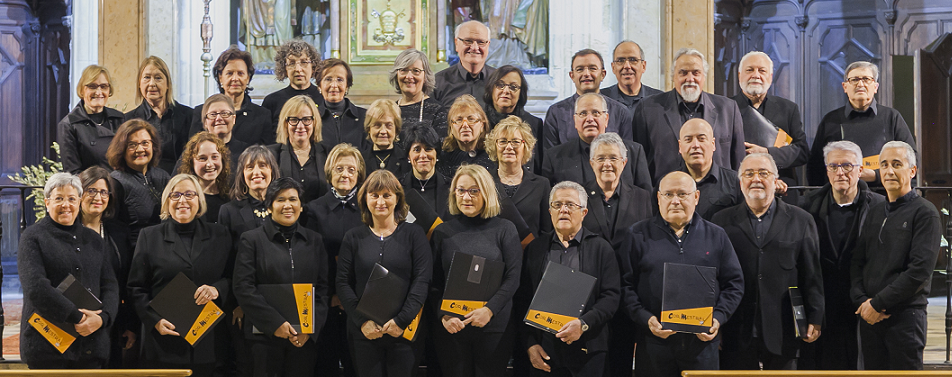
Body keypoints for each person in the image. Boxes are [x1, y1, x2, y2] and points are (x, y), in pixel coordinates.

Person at [620, 171, 744, 377]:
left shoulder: (716, 235)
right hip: (654, 345)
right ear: (658, 198)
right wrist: (646, 319)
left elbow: (734, 284)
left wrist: (719, 318)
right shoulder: (637, 234)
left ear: (696, 197)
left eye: (682, 194)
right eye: (668, 194)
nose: (675, 201)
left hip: (701, 346)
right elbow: (625, 286)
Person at [711, 153, 824, 370]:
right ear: (740, 181)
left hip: (784, 327)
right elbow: (716, 278)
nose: (756, 178)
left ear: (775, 179)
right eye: (749, 173)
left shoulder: (802, 220)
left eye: (763, 173)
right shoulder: (721, 221)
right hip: (736, 326)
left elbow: (812, 274)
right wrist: (716, 321)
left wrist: (816, 316)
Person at [126, 174, 232, 376]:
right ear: (167, 202)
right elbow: (136, 287)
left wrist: (217, 290)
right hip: (163, 343)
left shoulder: (220, 234)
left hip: (207, 343)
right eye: (176, 195)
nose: (182, 200)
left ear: (199, 200)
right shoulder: (149, 236)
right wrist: (154, 320)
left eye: (189, 194)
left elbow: (233, 278)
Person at [850, 141, 941, 370]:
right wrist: (862, 301)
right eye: (884, 165)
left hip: (905, 318)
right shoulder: (875, 210)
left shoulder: (925, 212)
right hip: (870, 318)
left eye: (896, 164)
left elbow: (919, 271)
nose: (889, 171)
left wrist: (878, 304)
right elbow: (857, 262)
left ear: (912, 171)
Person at [517, 181, 620, 376]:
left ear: (584, 212)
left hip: (588, 349)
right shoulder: (536, 249)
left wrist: (583, 324)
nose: (563, 210)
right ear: (550, 211)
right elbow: (523, 299)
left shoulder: (601, 248)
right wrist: (530, 344)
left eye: (570, 205)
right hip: (545, 350)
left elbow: (611, 297)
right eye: (557, 205)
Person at [18, 173, 119, 369]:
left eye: (72, 199)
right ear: (47, 202)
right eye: (59, 198)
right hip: (48, 347)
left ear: (79, 202)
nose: (66, 204)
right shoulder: (32, 237)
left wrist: (102, 318)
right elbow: (36, 287)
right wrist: (78, 317)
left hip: (92, 345)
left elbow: (110, 285)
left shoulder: (94, 240)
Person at [799, 141, 885, 370]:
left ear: (860, 169)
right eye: (833, 166)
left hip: (863, 303)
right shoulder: (808, 206)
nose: (840, 172)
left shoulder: (879, 207)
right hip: (823, 304)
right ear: (826, 170)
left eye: (847, 166)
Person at [337, 170, 432, 377]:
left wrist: (401, 321)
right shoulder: (352, 237)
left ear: (397, 199)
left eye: (387, 195)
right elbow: (343, 283)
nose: (381, 201)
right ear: (365, 199)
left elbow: (422, 280)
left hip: (403, 332)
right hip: (364, 333)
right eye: (375, 195)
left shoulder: (414, 234)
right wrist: (362, 322)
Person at [430, 165, 522, 377]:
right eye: (461, 190)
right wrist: (443, 315)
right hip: (453, 328)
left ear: (486, 192)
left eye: (474, 190)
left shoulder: (505, 229)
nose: (466, 197)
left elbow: (513, 278)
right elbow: (434, 282)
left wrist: (489, 310)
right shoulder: (443, 232)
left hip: (493, 326)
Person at [234, 177, 330, 376]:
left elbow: (322, 289)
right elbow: (244, 288)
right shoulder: (251, 240)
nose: (288, 205)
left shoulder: (315, 240)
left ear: (301, 206)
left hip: (303, 339)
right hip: (263, 338)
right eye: (280, 200)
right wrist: (275, 324)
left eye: (293, 199)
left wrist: (310, 330)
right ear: (269, 207)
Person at [579, 132, 652, 377]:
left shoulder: (644, 198)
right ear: (591, 163)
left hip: (628, 296)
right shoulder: (578, 199)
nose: (607, 164)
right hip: (589, 298)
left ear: (624, 162)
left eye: (613, 158)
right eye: (600, 158)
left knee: (621, 364)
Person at [633, 48, 745, 183]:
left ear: (704, 76)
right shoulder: (648, 109)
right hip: (667, 197)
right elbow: (639, 164)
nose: (690, 78)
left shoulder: (728, 109)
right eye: (683, 73)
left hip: (720, 198)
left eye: (696, 73)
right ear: (673, 76)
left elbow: (739, 161)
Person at [218, 145, 281, 375]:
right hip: (243, 305)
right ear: (242, 174)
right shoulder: (229, 211)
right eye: (249, 166)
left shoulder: (286, 207)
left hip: (280, 300)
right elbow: (226, 262)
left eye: (262, 165)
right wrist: (237, 304)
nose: (256, 171)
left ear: (273, 170)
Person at [305, 143, 366, 377]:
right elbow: (312, 260)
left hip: (360, 302)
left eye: (351, 169)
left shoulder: (368, 207)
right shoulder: (313, 210)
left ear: (359, 174)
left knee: (357, 367)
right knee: (325, 366)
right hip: (326, 302)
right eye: (339, 168)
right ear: (329, 172)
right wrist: (330, 295)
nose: (345, 174)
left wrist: (352, 296)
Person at [807, 61, 916, 186]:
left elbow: (912, 160)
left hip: (885, 196)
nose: (860, 84)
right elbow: (815, 166)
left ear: (875, 87)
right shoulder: (831, 120)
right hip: (842, 198)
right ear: (845, 87)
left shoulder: (891, 117)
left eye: (866, 79)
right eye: (854, 80)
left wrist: (876, 175)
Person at [79, 166, 136, 368]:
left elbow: (127, 280)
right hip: (76, 319)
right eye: (91, 190)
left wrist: (129, 324)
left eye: (103, 192)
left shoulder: (119, 233)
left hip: (112, 320)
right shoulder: (67, 232)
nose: (98, 197)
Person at [542, 93, 652, 191]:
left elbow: (645, 198)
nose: (589, 119)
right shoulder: (554, 157)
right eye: (583, 113)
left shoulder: (633, 152)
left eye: (596, 113)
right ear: (575, 120)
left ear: (606, 119)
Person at [732, 51, 809, 191]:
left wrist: (767, 153)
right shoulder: (725, 107)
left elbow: (802, 152)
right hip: (737, 188)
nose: (756, 75)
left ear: (770, 76)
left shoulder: (788, 109)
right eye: (749, 70)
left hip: (781, 188)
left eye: (762, 70)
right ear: (739, 75)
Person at [543, 49, 633, 150]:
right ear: (572, 76)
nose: (586, 74)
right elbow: (550, 157)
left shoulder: (620, 112)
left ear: (603, 74)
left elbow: (627, 154)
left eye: (592, 68)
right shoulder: (556, 112)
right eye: (580, 69)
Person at [190, 46, 274, 146]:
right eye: (229, 73)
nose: (235, 78)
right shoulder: (201, 112)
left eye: (240, 73)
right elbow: (192, 151)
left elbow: (267, 154)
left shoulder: (262, 116)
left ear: (248, 78)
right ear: (220, 78)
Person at [107, 119, 171, 249]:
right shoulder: (116, 182)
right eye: (132, 145)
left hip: (164, 249)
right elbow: (112, 229)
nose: (140, 149)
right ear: (122, 149)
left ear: (153, 146)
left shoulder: (163, 176)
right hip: (133, 252)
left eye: (145, 143)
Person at [124, 56, 193, 174]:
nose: (152, 84)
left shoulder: (188, 115)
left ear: (167, 84)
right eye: (146, 77)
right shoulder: (128, 120)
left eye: (158, 78)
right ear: (139, 84)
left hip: (180, 182)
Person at [485, 116, 551, 237]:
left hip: (531, 253)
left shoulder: (542, 184)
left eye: (515, 142)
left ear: (525, 147)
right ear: (494, 146)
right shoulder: (484, 182)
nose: (509, 147)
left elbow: (546, 231)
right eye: (503, 141)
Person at [58, 65, 125, 174]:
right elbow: (73, 172)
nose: (99, 92)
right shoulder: (69, 125)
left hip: (121, 186)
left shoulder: (120, 119)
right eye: (92, 86)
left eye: (104, 86)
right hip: (91, 188)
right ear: (82, 90)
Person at [677, 118, 743, 220]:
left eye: (701, 139)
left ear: (713, 144)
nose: (695, 145)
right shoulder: (668, 184)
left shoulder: (735, 182)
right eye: (688, 140)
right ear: (680, 146)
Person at [268, 95, 329, 203]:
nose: (300, 126)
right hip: (283, 217)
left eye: (306, 119)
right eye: (294, 119)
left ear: (315, 122)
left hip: (319, 218)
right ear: (285, 123)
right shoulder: (271, 155)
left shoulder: (328, 154)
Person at [483, 65, 544, 173]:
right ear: (491, 88)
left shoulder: (534, 123)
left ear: (521, 93)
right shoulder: (479, 122)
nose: (506, 91)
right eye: (500, 85)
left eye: (513, 87)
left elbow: (538, 168)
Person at [434, 20, 496, 108]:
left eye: (481, 42)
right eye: (468, 41)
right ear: (456, 43)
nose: (474, 48)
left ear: (488, 45)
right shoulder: (438, 83)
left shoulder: (499, 82)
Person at [262, 40, 324, 127]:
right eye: (291, 63)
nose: (298, 69)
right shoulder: (272, 101)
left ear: (313, 67)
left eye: (304, 62)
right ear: (284, 68)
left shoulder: (324, 98)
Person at [390, 49, 449, 138]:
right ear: (396, 74)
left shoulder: (437, 111)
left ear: (425, 76)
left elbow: (441, 149)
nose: (409, 76)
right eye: (404, 70)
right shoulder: (390, 111)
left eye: (416, 71)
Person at [178, 132, 232, 223]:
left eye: (214, 157)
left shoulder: (230, 196)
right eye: (202, 158)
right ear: (191, 162)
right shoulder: (184, 199)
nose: (210, 164)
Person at [437, 95, 496, 178]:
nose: (465, 125)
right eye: (459, 120)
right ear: (451, 127)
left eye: (471, 119)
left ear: (482, 125)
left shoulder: (492, 157)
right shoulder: (442, 159)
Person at [317, 59, 370, 150]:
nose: (334, 85)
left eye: (340, 80)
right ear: (319, 86)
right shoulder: (311, 118)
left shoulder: (365, 117)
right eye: (328, 79)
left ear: (347, 86)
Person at [400, 125, 451, 219]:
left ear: (437, 153)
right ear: (408, 156)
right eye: (417, 150)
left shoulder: (452, 188)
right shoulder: (397, 189)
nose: (423, 155)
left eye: (428, 149)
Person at [601, 40, 663, 112]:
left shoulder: (660, 100)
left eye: (633, 60)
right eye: (620, 60)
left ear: (643, 66)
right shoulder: (601, 99)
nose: (627, 66)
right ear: (613, 67)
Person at [194, 94, 249, 168]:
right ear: (205, 122)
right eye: (213, 114)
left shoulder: (247, 153)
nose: (218, 118)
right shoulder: (194, 151)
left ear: (233, 119)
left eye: (224, 113)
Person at [362, 99, 409, 176]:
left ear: (396, 129)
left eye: (389, 125)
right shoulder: (360, 161)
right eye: (377, 125)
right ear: (368, 129)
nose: (383, 131)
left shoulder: (406, 160)